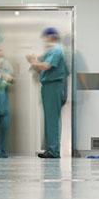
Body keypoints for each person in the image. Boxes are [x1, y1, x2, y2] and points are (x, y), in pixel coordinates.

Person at [27, 27, 67, 159]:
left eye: (45, 38)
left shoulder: (56, 50)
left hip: (53, 87)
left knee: (52, 120)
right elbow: (42, 68)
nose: (44, 41)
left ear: (51, 37)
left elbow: (46, 66)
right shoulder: (52, 51)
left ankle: (54, 151)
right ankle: (51, 149)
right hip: (49, 86)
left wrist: (33, 62)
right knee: (50, 119)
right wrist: (35, 64)